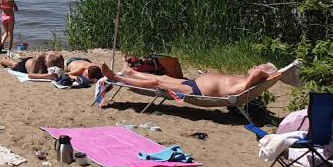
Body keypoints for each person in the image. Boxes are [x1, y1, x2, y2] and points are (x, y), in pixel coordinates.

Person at [100, 62, 282, 98]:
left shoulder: (246, 83)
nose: (254, 65)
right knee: (163, 77)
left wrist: (260, 72)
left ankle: (116, 78)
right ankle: (131, 73)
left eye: (258, 65)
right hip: (195, 83)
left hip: (197, 92)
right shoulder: (247, 79)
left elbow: (238, 91)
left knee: (158, 84)